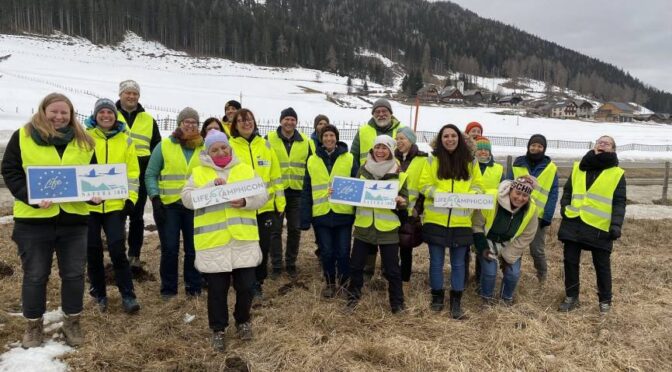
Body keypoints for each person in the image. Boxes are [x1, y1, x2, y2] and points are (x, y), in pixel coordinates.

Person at [1, 93, 97, 348]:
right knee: (35, 275)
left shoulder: (85, 140)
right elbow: (10, 170)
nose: (59, 117)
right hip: (34, 221)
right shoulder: (23, 135)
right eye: (54, 111)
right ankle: (33, 326)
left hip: (74, 221)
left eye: (64, 112)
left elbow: (92, 177)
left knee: (75, 275)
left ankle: (72, 323)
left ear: (72, 114)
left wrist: (95, 197)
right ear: (43, 111)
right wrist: (30, 197)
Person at [181, 130, 268, 351]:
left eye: (224, 147)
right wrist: (210, 187)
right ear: (208, 152)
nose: (220, 152)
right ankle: (218, 329)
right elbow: (187, 199)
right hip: (214, 241)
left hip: (243, 239)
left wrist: (246, 201)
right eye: (215, 149)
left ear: (230, 148)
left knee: (246, 286)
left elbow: (262, 195)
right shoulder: (199, 173)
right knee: (217, 290)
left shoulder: (245, 169)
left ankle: (243, 321)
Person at [419, 124, 483, 319]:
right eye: (445, 136)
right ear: (440, 139)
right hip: (436, 220)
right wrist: (440, 195)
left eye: (453, 136)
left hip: (461, 221)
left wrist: (468, 195)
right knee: (436, 262)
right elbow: (424, 185)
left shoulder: (471, 162)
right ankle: (437, 297)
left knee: (458, 264)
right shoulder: (432, 160)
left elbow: (479, 186)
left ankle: (456, 301)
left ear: (459, 138)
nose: (449, 139)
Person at [84, 98, 141, 314]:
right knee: (93, 250)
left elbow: (133, 172)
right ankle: (99, 294)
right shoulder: (85, 138)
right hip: (89, 206)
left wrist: (130, 199)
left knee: (118, 249)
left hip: (115, 205)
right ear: (95, 115)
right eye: (102, 112)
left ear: (115, 116)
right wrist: (84, 196)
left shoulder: (126, 140)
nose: (106, 116)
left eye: (110, 112)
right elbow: (77, 168)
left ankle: (128, 295)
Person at [557, 136, 625, 314]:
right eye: (599, 142)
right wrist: (564, 208)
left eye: (607, 143)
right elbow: (568, 191)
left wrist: (616, 225)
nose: (602, 144)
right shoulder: (579, 167)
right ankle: (571, 297)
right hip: (574, 221)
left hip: (599, 227)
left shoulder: (616, 173)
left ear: (613, 149)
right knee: (570, 262)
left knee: (602, 265)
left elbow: (619, 202)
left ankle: (605, 301)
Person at [145, 107, 204, 300]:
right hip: (169, 206)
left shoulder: (204, 148)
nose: (190, 125)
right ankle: (169, 289)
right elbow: (151, 174)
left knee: (193, 249)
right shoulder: (164, 146)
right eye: (186, 122)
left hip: (195, 205)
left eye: (194, 122)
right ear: (179, 124)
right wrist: (154, 198)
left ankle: (193, 287)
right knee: (170, 249)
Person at [229, 108, 286, 304]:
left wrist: (280, 202)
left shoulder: (266, 145)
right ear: (235, 125)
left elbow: (276, 176)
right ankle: (241, 280)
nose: (247, 123)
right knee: (243, 245)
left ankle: (257, 283)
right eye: (242, 121)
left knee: (262, 246)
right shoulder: (229, 146)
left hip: (265, 207)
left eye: (250, 120)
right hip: (241, 207)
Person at [347, 135, 407, 314]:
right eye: (377, 147)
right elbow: (354, 194)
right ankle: (352, 298)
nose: (380, 151)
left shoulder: (399, 172)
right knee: (356, 265)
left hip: (387, 228)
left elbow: (406, 200)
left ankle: (397, 304)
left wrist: (401, 202)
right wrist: (340, 192)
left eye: (385, 148)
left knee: (392, 269)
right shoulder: (363, 170)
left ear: (390, 150)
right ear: (372, 149)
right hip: (364, 226)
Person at [350, 98, 405, 279]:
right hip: (367, 179)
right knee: (368, 232)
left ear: (390, 113)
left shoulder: (401, 129)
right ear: (373, 114)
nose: (381, 114)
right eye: (377, 111)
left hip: (393, 181)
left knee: (388, 231)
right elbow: (354, 155)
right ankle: (368, 269)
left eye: (384, 111)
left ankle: (387, 271)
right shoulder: (363, 130)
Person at [301, 124, 357, 297]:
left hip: (343, 214)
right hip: (322, 214)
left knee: (343, 251)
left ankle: (344, 282)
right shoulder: (312, 160)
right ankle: (330, 283)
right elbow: (307, 190)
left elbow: (357, 185)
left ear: (337, 138)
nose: (328, 139)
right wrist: (305, 217)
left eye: (332, 135)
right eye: (325, 136)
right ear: (320, 138)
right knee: (326, 252)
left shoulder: (349, 158)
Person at [115, 80, 162, 270]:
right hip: (115, 173)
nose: (131, 96)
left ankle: (134, 254)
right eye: (128, 93)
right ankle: (117, 253)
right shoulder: (109, 114)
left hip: (140, 173)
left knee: (137, 216)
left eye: (135, 93)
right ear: (120, 95)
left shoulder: (148, 120)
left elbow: (157, 146)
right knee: (116, 215)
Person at [472, 176, 539, 306]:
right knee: (490, 271)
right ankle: (487, 299)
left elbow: (527, 235)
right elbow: (476, 225)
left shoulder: (531, 209)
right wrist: (483, 248)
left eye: (525, 195)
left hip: (510, 243)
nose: (520, 198)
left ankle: (506, 299)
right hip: (487, 240)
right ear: (510, 190)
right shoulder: (491, 198)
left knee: (513, 274)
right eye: (518, 193)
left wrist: (509, 255)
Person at [266, 107, 313, 279]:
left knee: (295, 229)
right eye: (286, 119)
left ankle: (291, 263)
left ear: (296, 122)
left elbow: (311, 166)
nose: (289, 122)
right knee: (275, 230)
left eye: (293, 119)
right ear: (281, 121)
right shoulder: (269, 139)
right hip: (276, 191)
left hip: (297, 192)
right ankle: (277, 265)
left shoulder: (306, 142)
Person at [506, 134, 559, 283]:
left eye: (539, 146)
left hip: (538, 217)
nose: (536, 148)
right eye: (533, 145)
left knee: (537, 250)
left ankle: (542, 276)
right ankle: (512, 277)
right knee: (515, 247)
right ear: (528, 146)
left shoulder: (550, 168)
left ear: (544, 148)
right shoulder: (518, 164)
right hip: (517, 214)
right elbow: (507, 184)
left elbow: (553, 193)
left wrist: (547, 216)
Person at [394, 127, 429, 283]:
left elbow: (424, 188)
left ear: (411, 140)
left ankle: (405, 278)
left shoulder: (422, 160)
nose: (399, 141)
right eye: (397, 138)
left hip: (409, 212)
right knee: (390, 246)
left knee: (405, 247)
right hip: (391, 209)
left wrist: (417, 210)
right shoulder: (392, 157)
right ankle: (392, 275)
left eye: (403, 138)